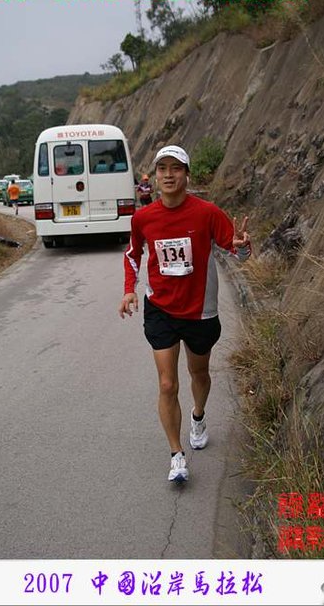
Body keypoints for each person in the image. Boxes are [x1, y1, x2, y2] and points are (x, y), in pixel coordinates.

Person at [118, 145, 251, 483]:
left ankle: (198, 416)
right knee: (167, 383)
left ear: (186, 175)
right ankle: (176, 455)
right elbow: (132, 254)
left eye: (175, 168)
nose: (168, 174)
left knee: (199, 373)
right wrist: (129, 289)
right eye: (162, 168)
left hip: (200, 312)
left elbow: (237, 252)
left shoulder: (208, 213)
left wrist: (243, 246)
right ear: (155, 176)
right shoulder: (144, 217)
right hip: (160, 309)